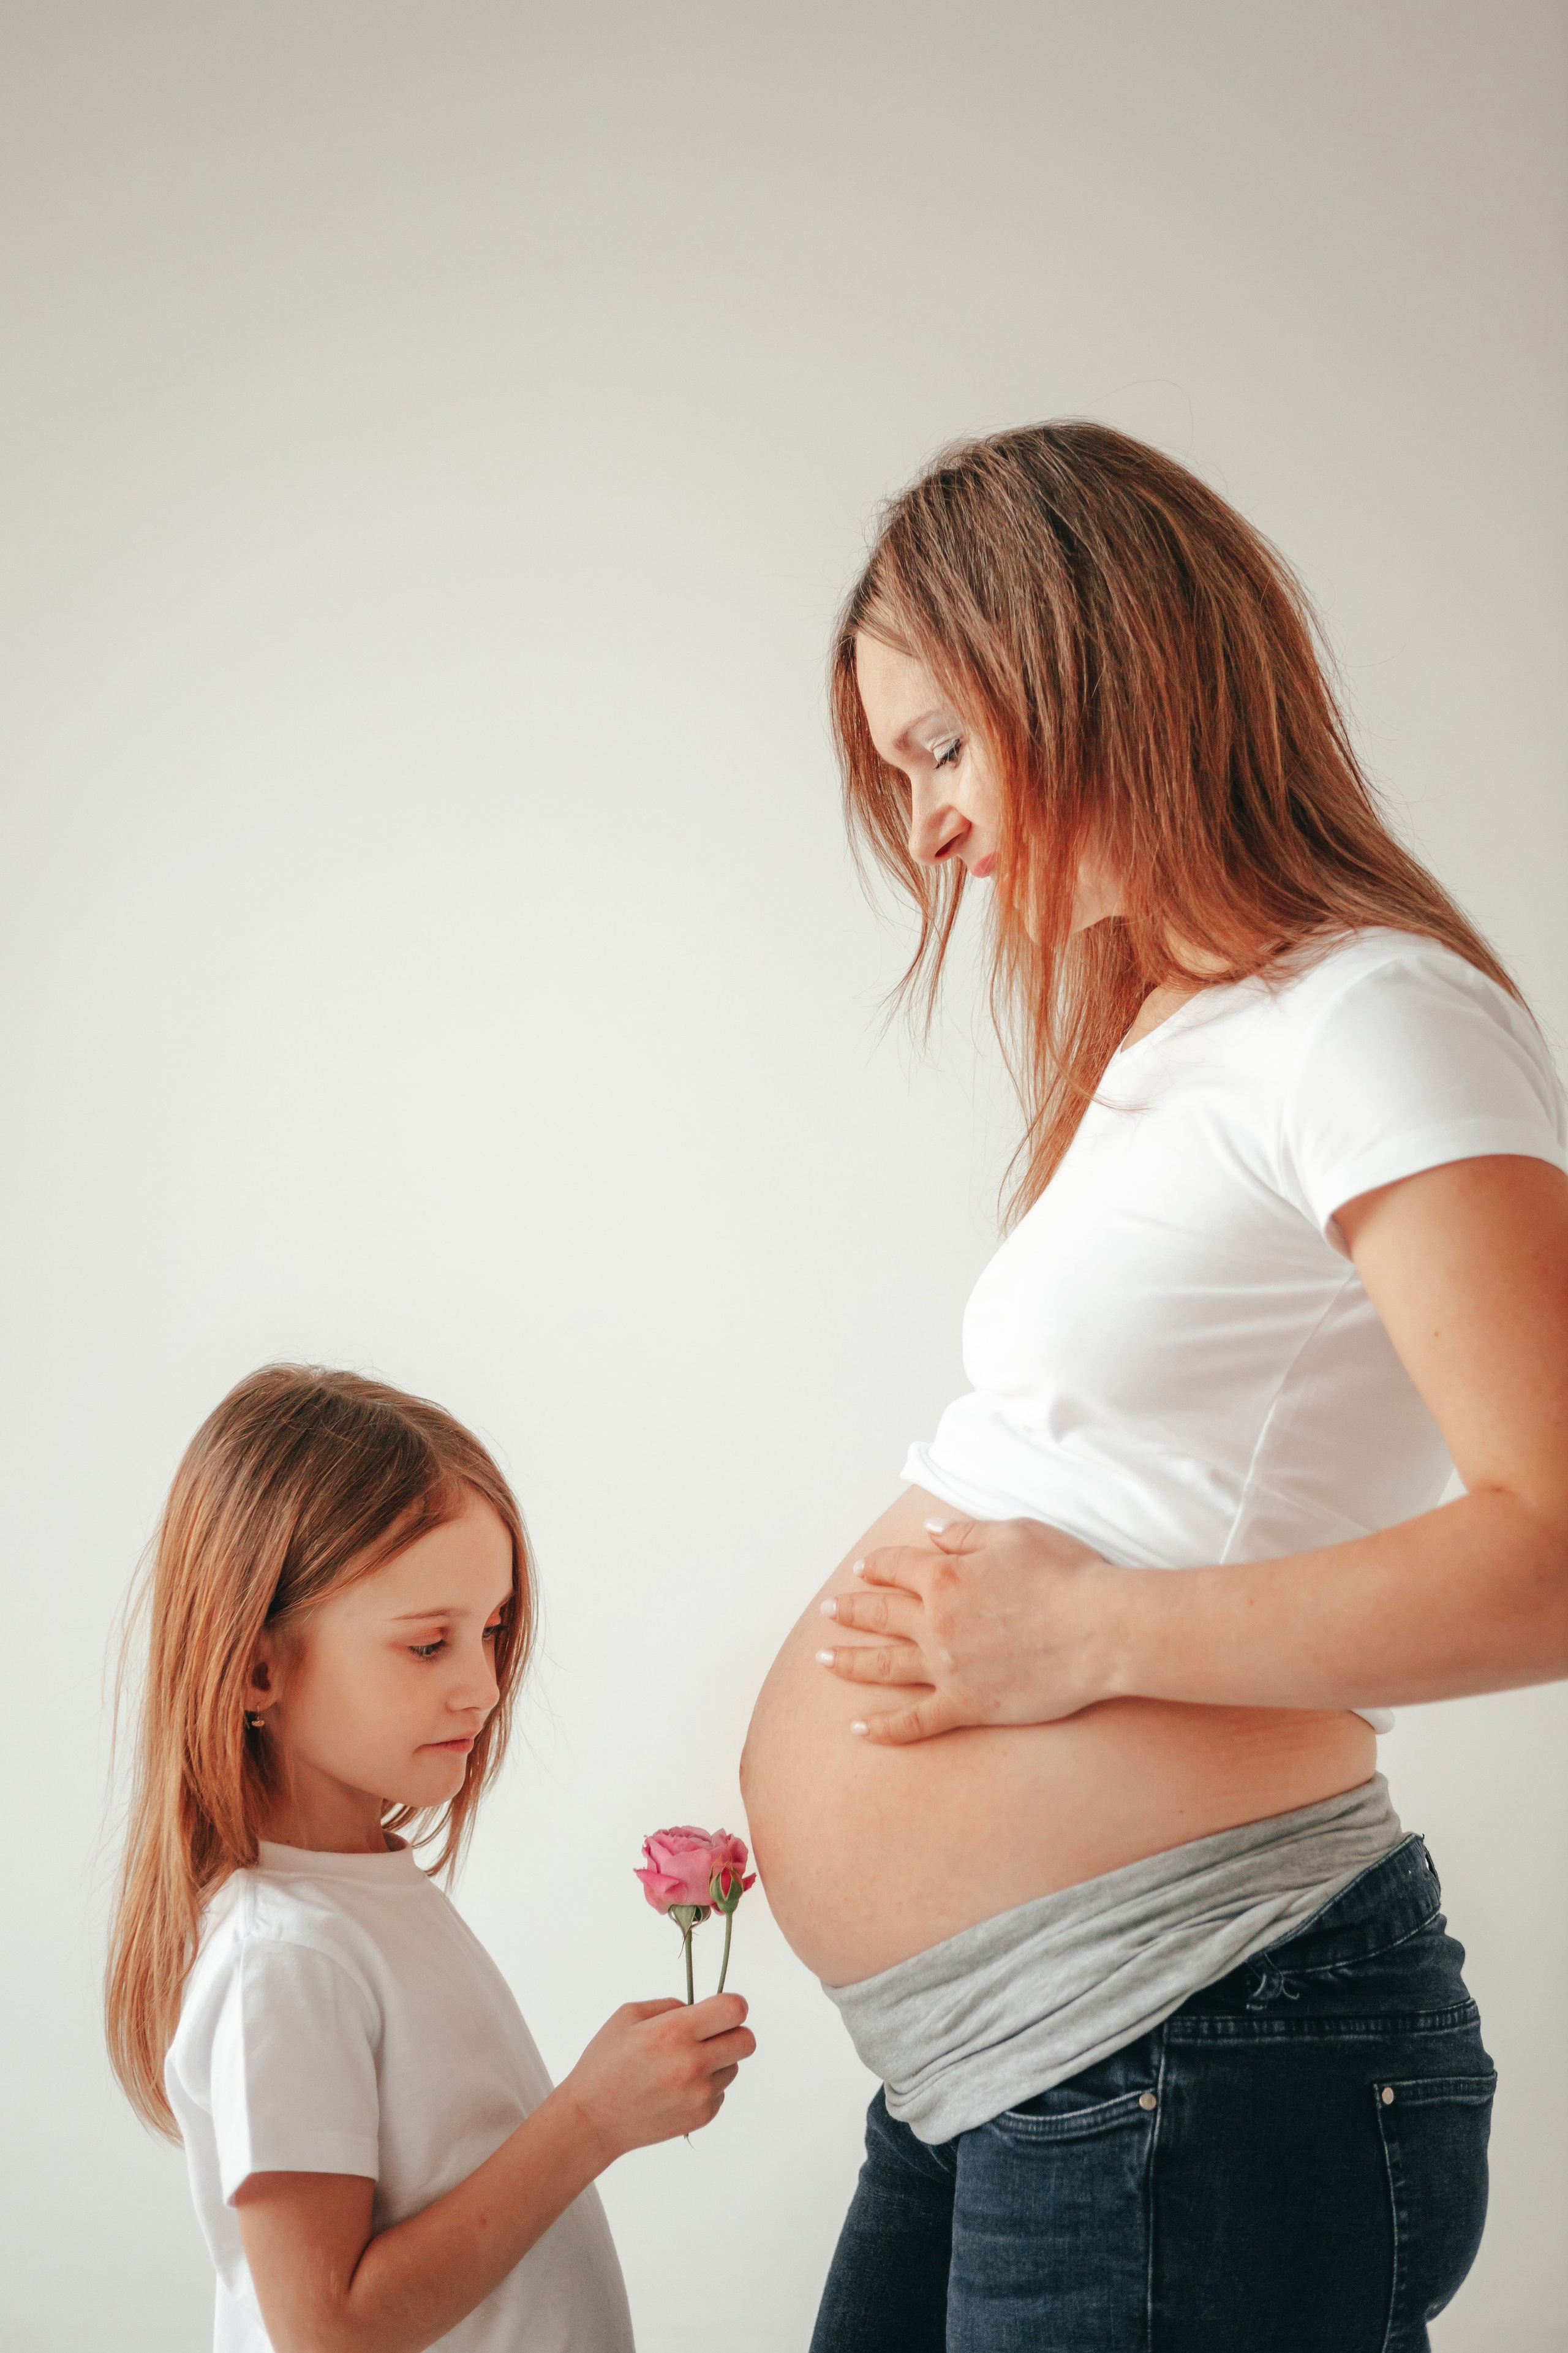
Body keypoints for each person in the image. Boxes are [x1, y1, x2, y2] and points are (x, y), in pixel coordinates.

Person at [741, 421, 1568, 2352]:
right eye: (899, 775)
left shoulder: (1375, 1019)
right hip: (1036, 2055)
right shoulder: (1176, 1033)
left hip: (1204, 2028)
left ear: (1088, 657)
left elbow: (1556, 1543)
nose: (927, 826)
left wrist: (1091, 1635)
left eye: (942, 746)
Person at [107, 1364, 755, 2353]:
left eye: (492, 1632)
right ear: (256, 1666)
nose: (485, 1687)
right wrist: (589, 2121)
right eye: (428, 1645)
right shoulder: (286, 1956)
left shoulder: (365, 1895)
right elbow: (329, 2328)